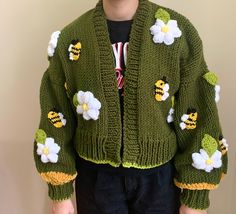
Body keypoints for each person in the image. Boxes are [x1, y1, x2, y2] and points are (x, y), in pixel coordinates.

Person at [33, 0, 228, 213]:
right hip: (96, 181)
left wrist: (195, 197)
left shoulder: (177, 33)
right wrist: (59, 191)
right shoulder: (71, 39)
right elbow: (56, 113)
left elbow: (197, 107)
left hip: (160, 181)